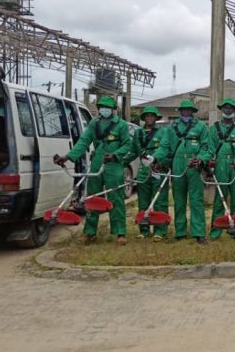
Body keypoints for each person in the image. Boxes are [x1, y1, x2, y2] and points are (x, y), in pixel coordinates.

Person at [54, 95, 131, 244]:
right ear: (98, 109)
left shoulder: (121, 125)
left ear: (113, 109)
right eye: (102, 107)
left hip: (114, 164)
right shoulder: (93, 124)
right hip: (97, 162)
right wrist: (69, 156)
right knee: (92, 198)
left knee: (116, 198)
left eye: (107, 107)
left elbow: (127, 144)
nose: (104, 110)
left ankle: (120, 232)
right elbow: (83, 141)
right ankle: (90, 232)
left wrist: (115, 155)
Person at [153, 99, 209, 244]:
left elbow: (206, 147)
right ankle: (180, 231)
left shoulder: (201, 126)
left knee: (196, 200)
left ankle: (199, 232)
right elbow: (164, 146)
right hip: (177, 163)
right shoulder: (172, 128)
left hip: (194, 163)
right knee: (179, 199)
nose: (186, 112)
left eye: (189, 110)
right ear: (180, 111)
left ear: (193, 111)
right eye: (183, 110)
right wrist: (154, 158)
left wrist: (200, 159)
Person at [202, 98, 235, 240]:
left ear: (234, 111)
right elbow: (210, 149)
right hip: (220, 164)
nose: (228, 110)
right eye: (225, 108)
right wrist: (209, 162)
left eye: (230, 108)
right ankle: (216, 230)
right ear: (222, 110)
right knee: (219, 197)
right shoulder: (214, 128)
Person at [124, 106, 170, 241]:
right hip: (143, 172)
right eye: (147, 115)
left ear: (156, 118)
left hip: (158, 170)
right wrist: (119, 162)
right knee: (143, 203)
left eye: (152, 115)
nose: (149, 118)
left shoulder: (163, 133)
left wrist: (161, 162)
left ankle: (160, 230)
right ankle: (144, 230)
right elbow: (133, 152)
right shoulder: (138, 133)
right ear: (144, 118)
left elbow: (166, 150)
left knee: (159, 201)